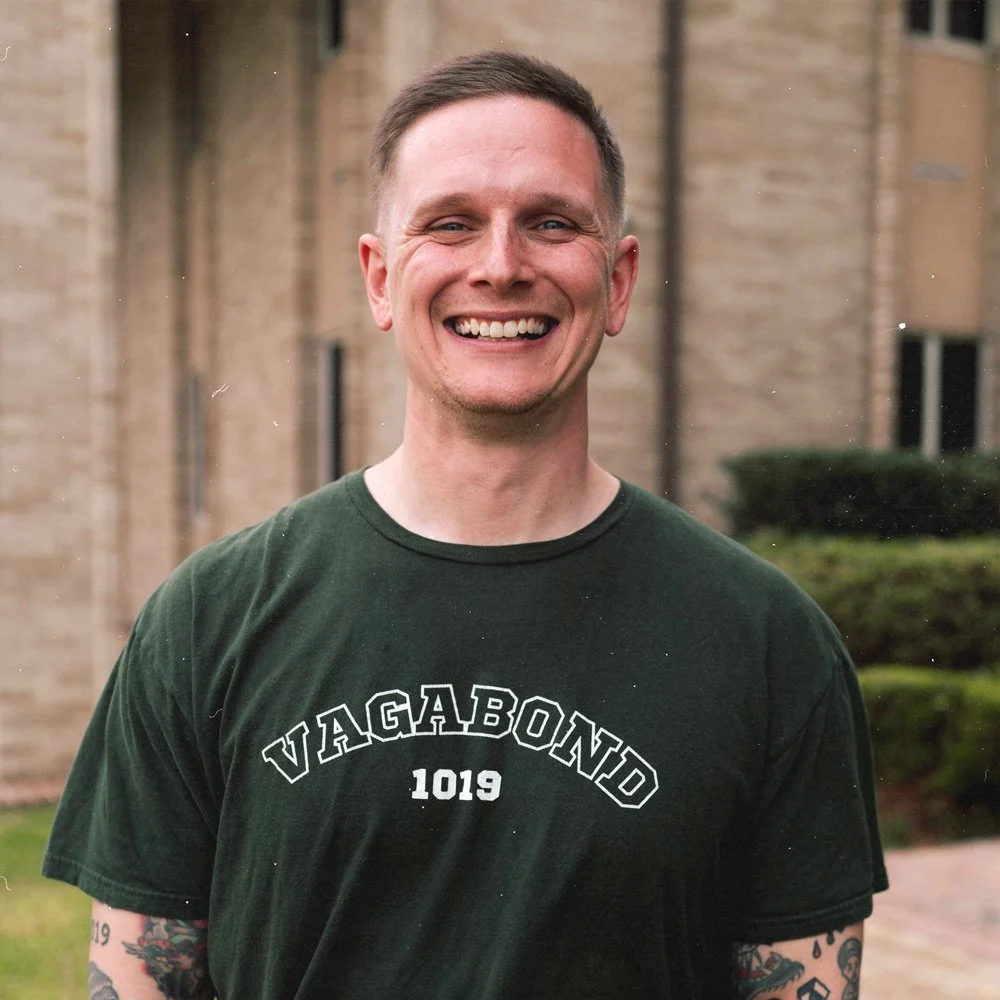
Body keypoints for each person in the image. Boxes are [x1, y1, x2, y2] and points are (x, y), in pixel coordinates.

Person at [43, 50, 887, 999]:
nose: (500, 266)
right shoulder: (209, 621)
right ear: (379, 277)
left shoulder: (768, 642)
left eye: (551, 223)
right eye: (451, 223)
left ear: (618, 280)